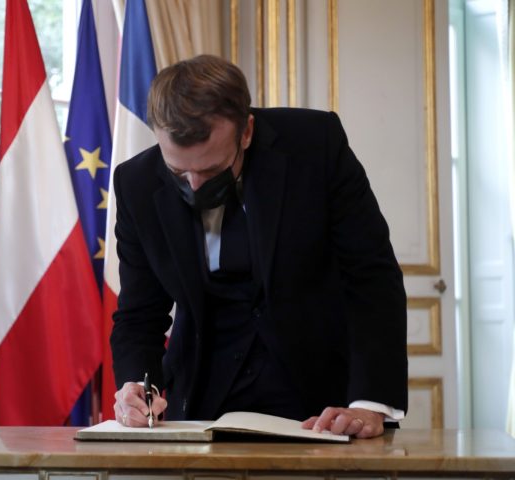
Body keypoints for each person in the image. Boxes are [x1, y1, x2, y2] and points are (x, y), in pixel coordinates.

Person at [110, 54, 407, 439]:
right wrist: (137, 386)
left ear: (246, 131)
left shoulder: (315, 146)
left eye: (212, 170)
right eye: (179, 172)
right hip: (201, 405)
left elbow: (371, 277)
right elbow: (139, 314)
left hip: (322, 406)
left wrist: (370, 404)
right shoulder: (136, 183)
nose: (195, 187)